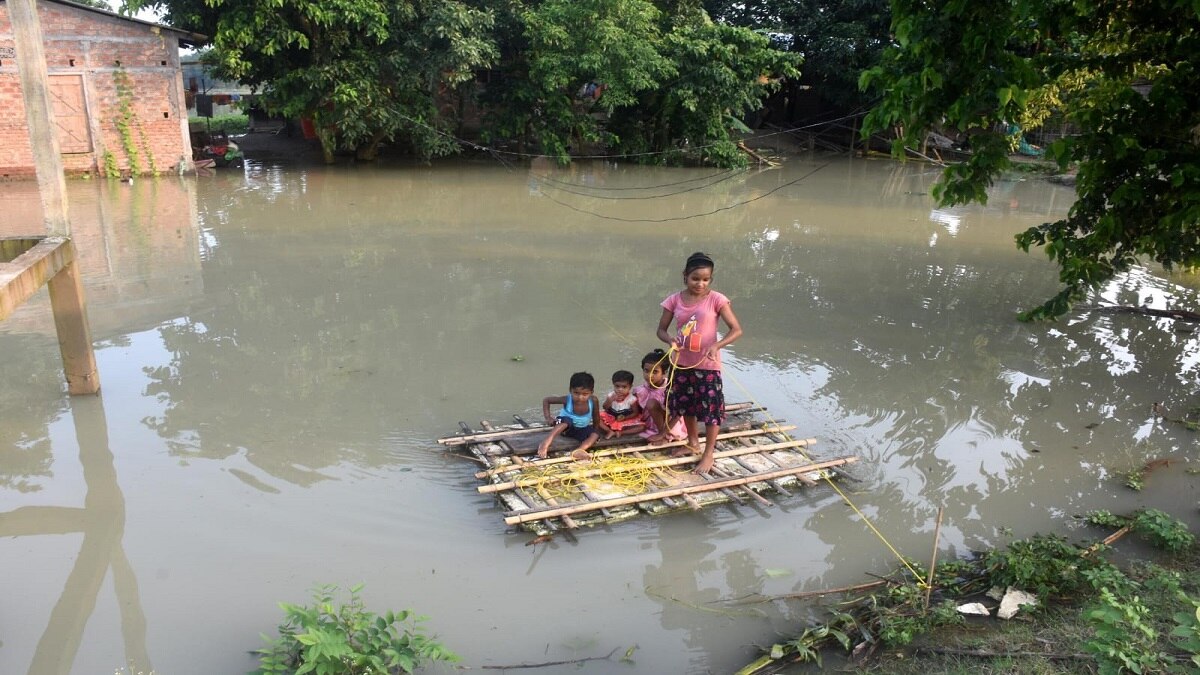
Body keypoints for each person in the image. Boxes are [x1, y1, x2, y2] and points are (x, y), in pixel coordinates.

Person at [656, 252, 743, 475]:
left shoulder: (717, 300)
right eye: (695, 278)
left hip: (707, 363)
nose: (700, 284)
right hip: (681, 363)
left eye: (706, 279)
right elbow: (661, 330)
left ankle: (708, 453)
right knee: (686, 404)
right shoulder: (674, 300)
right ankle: (692, 443)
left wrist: (717, 345)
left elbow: (736, 329)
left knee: (711, 409)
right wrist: (670, 340)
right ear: (685, 276)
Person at [538, 372, 601, 461]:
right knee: (567, 421)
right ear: (570, 390)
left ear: (591, 392)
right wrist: (548, 418)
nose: (580, 397)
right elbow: (547, 400)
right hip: (565, 429)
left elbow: (596, 416)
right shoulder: (567, 400)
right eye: (576, 393)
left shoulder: (593, 400)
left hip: (580, 429)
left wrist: (595, 430)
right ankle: (546, 442)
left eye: (585, 394)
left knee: (595, 434)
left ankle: (579, 450)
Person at [634, 349, 686, 444]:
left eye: (655, 372)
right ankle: (659, 433)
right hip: (651, 422)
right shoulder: (640, 390)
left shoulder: (670, 388)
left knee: (651, 403)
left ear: (664, 372)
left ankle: (664, 436)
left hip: (670, 422)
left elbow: (679, 412)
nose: (649, 375)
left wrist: (663, 433)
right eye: (646, 371)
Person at [600, 370, 644, 439]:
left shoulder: (631, 399)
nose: (620, 389)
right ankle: (609, 431)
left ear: (630, 387)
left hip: (625, 420)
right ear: (613, 384)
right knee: (596, 417)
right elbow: (605, 407)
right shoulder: (611, 395)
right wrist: (610, 400)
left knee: (642, 427)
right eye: (617, 386)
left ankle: (621, 432)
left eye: (624, 387)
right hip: (611, 417)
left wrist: (625, 418)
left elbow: (636, 413)